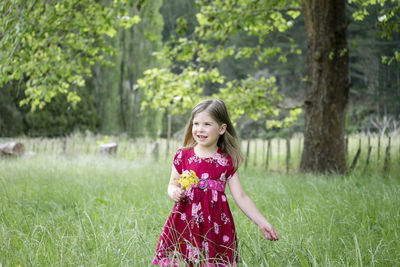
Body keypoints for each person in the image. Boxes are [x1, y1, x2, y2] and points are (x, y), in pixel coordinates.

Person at [153, 99, 278, 266]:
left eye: (206, 124)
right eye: (196, 123)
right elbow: (172, 185)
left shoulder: (226, 161)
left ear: (221, 128)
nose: (199, 129)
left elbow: (240, 196)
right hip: (185, 221)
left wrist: (262, 221)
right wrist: (173, 192)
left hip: (216, 226)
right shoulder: (183, 155)